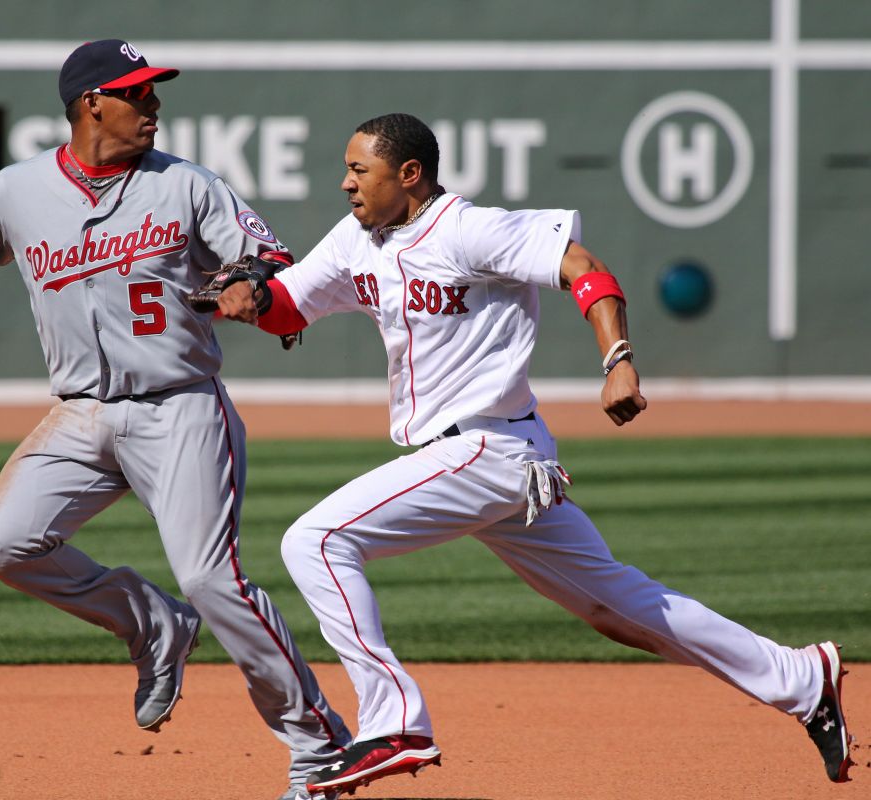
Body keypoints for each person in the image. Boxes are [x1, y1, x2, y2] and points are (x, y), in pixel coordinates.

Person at [210, 112, 853, 797]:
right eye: (346, 169)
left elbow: (583, 266)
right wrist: (252, 300)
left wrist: (619, 360)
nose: (345, 182)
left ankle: (394, 720)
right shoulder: (356, 241)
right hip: (492, 461)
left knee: (316, 540)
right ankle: (800, 677)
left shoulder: (468, 229)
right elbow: (290, 307)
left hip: (490, 448)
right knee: (619, 607)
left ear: (409, 174)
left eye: (359, 169)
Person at [0, 39, 350, 800]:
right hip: (79, 413)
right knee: (3, 545)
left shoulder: (188, 187)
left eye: (153, 93)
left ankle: (317, 744)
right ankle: (151, 626)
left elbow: (272, 260)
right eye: (138, 94)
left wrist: (250, 285)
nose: (153, 107)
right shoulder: (15, 191)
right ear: (91, 103)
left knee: (211, 578)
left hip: (180, 408)